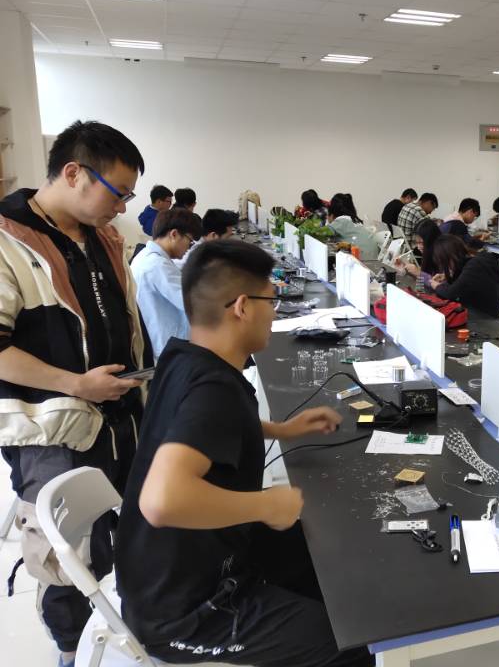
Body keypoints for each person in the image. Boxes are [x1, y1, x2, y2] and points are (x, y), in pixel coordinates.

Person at [116, 240, 371, 667]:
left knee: (325, 553)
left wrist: (280, 429)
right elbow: (161, 501)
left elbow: (199, 428)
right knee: (351, 645)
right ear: (242, 307)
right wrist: (265, 505)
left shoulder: (182, 358)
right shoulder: (215, 390)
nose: (274, 312)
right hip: (184, 612)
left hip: (175, 569)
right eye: (271, 301)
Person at [0, 120, 147, 667]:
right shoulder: (9, 240)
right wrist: (77, 384)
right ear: (73, 173)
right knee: (68, 556)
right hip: (53, 429)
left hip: (121, 415)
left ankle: (124, 630)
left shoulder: (103, 237)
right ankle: (72, 652)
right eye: (118, 193)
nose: (123, 207)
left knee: (127, 531)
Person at [131, 208, 203, 358]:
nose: (188, 248)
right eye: (189, 242)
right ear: (174, 234)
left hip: (163, 343)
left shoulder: (145, 256)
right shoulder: (157, 265)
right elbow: (193, 304)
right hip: (171, 347)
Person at [428, 234, 499, 317]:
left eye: (446, 262)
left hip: (486, 316)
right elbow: (463, 281)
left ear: (451, 256)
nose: (448, 267)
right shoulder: (472, 259)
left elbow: (451, 293)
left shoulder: (475, 265)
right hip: (479, 309)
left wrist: (436, 285)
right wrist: (448, 275)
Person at [328, 194, 379, 260]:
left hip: (361, 259)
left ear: (332, 214)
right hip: (373, 257)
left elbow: (323, 233)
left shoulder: (341, 220)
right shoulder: (355, 220)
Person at [395, 219, 441, 285]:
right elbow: (421, 284)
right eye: (417, 242)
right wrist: (406, 267)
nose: (418, 247)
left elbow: (440, 287)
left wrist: (419, 273)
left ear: (431, 240)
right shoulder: (428, 254)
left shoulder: (441, 257)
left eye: (421, 243)